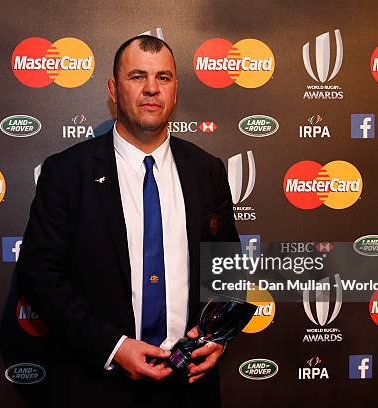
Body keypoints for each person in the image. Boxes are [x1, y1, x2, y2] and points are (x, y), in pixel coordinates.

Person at [15, 35, 239, 407]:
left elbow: (228, 270)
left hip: (190, 387)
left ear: (176, 90)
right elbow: (40, 276)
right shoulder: (67, 172)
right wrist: (113, 347)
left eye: (163, 78)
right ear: (113, 89)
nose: (152, 88)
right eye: (137, 76)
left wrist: (219, 337)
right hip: (98, 386)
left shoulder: (207, 171)